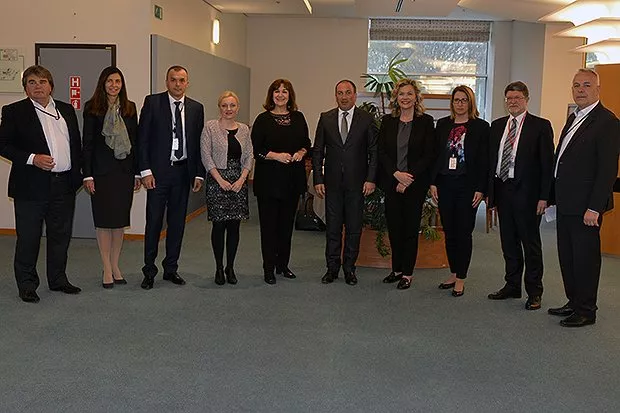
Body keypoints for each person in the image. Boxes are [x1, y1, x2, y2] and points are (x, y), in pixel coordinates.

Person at [0, 65, 82, 303]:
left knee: (60, 237)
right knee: (29, 238)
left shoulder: (65, 110)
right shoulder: (14, 111)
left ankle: (58, 279)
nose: (38, 87)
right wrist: (32, 158)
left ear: (51, 85)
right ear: (25, 88)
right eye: (32, 82)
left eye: (42, 81)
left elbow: (75, 144)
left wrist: (77, 176)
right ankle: (27, 285)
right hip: (30, 186)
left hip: (64, 185)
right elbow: (3, 144)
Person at [548, 69, 620, 327]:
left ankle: (587, 310)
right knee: (567, 257)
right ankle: (574, 301)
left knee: (585, 260)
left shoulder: (607, 122)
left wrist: (595, 207)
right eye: (576, 85)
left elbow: (607, 170)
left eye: (587, 85)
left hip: (586, 207)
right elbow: (562, 159)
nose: (580, 90)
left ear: (598, 89)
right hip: (566, 202)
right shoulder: (574, 117)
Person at [487, 81, 554, 310]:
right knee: (508, 242)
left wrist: (544, 197)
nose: (513, 102)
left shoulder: (540, 126)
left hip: (529, 195)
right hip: (503, 190)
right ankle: (512, 285)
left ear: (526, 99)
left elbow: (547, 165)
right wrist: (491, 194)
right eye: (509, 98)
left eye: (517, 97)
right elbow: (492, 161)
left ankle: (534, 292)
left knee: (530, 244)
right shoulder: (497, 126)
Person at [138, 65, 205, 290]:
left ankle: (171, 268)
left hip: (183, 173)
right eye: (173, 79)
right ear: (167, 82)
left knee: (177, 223)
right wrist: (145, 171)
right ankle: (149, 271)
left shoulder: (196, 108)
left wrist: (198, 173)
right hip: (157, 174)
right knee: (154, 223)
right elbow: (142, 139)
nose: (177, 84)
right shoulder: (153, 103)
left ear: (187, 83)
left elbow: (197, 144)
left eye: (182, 80)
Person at [313, 80, 378, 286]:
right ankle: (332, 268)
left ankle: (349, 268)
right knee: (332, 228)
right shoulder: (326, 118)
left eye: (348, 92)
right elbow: (318, 151)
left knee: (353, 228)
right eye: (340, 93)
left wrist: (370, 179)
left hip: (357, 184)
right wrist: (318, 179)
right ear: (335, 96)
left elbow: (374, 152)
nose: (344, 96)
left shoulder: (366, 119)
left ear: (355, 95)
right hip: (331, 184)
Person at [82, 66, 141, 289]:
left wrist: (137, 172)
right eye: (109, 81)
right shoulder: (92, 108)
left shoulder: (130, 108)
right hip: (101, 173)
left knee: (119, 222)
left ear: (122, 84)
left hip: (124, 173)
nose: (114, 85)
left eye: (117, 81)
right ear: (102, 83)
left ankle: (115, 265)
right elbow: (87, 143)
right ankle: (106, 267)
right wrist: (87, 175)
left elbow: (135, 142)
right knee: (104, 221)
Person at [430, 85, 489, 297]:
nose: (460, 104)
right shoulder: (443, 124)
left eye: (464, 100)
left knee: (463, 232)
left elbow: (484, 161)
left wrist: (481, 188)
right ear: (452, 103)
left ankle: (461, 278)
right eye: (457, 100)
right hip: (445, 184)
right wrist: (433, 182)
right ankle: (454, 272)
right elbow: (435, 156)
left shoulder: (481, 127)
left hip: (467, 187)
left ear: (470, 103)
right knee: (449, 231)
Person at [377, 78, 436, 290]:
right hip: (392, 183)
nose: (405, 98)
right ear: (396, 97)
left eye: (410, 94)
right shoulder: (388, 121)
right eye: (401, 94)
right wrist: (396, 175)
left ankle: (408, 273)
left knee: (410, 230)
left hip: (415, 184)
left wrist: (408, 177)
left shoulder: (425, 121)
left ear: (416, 97)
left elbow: (428, 154)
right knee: (394, 228)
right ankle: (397, 270)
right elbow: (381, 152)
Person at [251, 79, 311, 284]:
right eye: (276, 91)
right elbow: (256, 149)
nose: (280, 95)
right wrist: (276, 156)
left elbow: (306, 143)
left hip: (292, 181)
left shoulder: (298, 117)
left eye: (285, 91)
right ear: (271, 95)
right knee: (269, 228)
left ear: (290, 95)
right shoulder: (263, 119)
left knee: (286, 227)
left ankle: (283, 265)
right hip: (268, 182)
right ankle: (268, 268)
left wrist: (301, 152)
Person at [200, 91, 252, 285]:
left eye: (232, 105)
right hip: (217, 181)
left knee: (234, 226)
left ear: (237, 108)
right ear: (219, 107)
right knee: (219, 226)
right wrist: (220, 180)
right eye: (224, 105)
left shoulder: (244, 129)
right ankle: (219, 267)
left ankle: (230, 267)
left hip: (238, 182)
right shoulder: (210, 127)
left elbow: (249, 156)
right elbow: (206, 155)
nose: (228, 109)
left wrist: (242, 179)